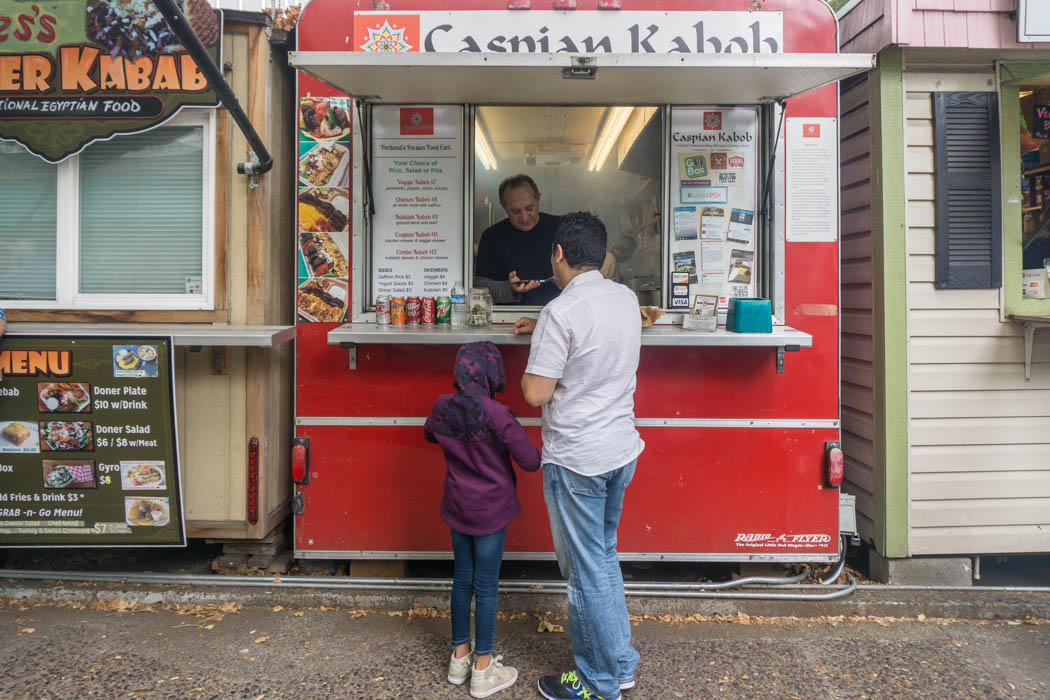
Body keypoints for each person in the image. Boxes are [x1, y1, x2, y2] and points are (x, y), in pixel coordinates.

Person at [513, 212, 644, 700]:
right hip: (619, 451)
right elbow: (595, 350)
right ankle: (622, 663)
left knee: (586, 570)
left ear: (560, 255)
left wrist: (539, 352)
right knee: (603, 558)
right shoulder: (625, 298)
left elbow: (534, 393)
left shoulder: (560, 313)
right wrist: (542, 336)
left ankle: (597, 682)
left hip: (578, 460)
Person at [423, 341, 541, 698]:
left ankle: (459, 658)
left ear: (459, 372)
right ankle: (484, 669)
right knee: (486, 585)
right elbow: (531, 461)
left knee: (463, 580)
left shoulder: (443, 407)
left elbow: (430, 433)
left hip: (457, 507)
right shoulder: (498, 414)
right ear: (494, 374)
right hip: (491, 511)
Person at [474, 174, 562, 306]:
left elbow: (584, 274)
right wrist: (510, 289)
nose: (525, 218)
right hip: (509, 319)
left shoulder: (561, 228)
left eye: (529, 208)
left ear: (539, 199)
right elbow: (479, 287)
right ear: (503, 207)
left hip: (559, 316)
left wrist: (567, 281)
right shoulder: (492, 237)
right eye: (515, 212)